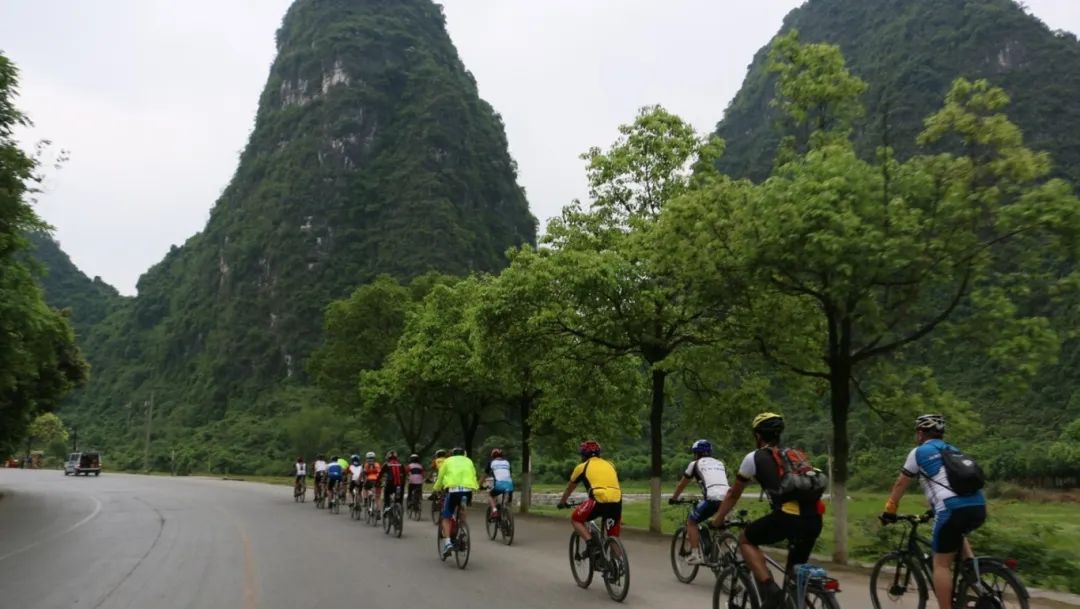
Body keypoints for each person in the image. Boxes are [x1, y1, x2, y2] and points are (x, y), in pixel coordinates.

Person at [710, 413, 824, 609]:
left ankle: (770, 591)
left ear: (758, 436)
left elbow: (733, 494)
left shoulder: (753, 457)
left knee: (746, 539)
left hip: (787, 518)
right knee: (794, 577)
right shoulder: (794, 456)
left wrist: (717, 519)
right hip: (814, 520)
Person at [881, 414, 987, 609]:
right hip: (978, 506)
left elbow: (901, 483)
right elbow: (951, 484)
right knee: (957, 533)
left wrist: (890, 510)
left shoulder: (919, 452)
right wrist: (932, 510)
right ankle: (975, 579)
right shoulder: (952, 450)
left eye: (917, 433)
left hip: (951, 509)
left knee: (941, 565)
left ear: (921, 434)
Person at [557, 440, 623, 566]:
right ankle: (618, 566)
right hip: (616, 501)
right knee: (613, 536)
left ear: (583, 455)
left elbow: (570, 488)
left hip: (598, 500)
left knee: (576, 519)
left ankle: (591, 544)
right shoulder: (610, 464)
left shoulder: (582, 467)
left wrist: (562, 502)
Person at [668, 439, 730, 565]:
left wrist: (674, 498)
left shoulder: (694, 464)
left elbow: (682, 485)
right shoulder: (720, 463)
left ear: (695, 454)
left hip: (712, 499)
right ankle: (731, 548)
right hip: (729, 499)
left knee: (692, 521)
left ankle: (696, 555)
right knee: (720, 524)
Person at [433, 447, 479, 558]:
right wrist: (476, 487)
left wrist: (436, 488)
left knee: (446, 516)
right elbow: (473, 475)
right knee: (462, 508)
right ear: (464, 454)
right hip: (468, 490)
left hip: (453, 490)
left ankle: (448, 543)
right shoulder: (469, 461)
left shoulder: (447, 461)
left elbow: (440, 477)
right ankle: (462, 527)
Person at [485, 448, 514, 521]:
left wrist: (479, 484)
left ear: (492, 456)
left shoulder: (491, 462)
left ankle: (494, 511)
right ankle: (507, 516)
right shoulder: (507, 462)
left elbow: (485, 475)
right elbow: (510, 474)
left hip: (498, 485)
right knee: (506, 503)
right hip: (510, 486)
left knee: (490, 495)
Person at [379, 451, 405, 517]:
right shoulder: (401, 464)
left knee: (386, 495)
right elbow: (404, 474)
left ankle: (386, 508)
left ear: (388, 457)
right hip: (399, 485)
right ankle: (400, 508)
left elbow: (380, 474)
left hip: (390, 484)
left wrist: (377, 482)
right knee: (398, 499)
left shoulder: (386, 464)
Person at [361, 451, 381, 518]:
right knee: (377, 497)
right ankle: (378, 512)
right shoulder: (377, 464)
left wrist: (363, 480)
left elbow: (364, 473)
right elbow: (379, 473)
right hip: (377, 481)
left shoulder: (366, 465)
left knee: (364, 488)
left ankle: (366, 500)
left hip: (369, 480)